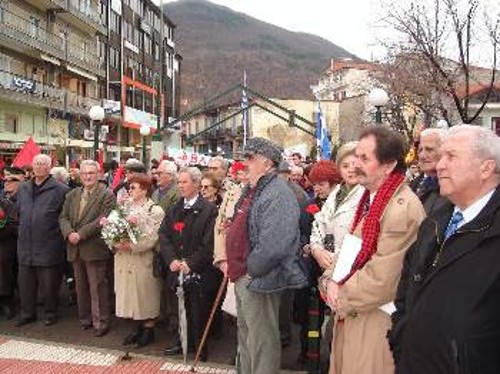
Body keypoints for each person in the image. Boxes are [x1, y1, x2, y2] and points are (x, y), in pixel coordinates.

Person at [390, 125, 500, 373]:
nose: (440, 165)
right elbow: (406, 291)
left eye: (451, 156)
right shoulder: (434, 222)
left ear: (486, 167)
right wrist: (401, 337)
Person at [320, 126, 425, 374]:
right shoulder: (371, 198)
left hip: (374, 321)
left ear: (388, 165)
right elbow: (350, 249)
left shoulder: (402, 208)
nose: (355, 164)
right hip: (356, 314)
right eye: (356, 155)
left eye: (364, 158)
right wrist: (329, 279)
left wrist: (339, 294)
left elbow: (384, 278)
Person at [222, 137, 309, 374]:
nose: (244, 163)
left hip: (257, 279)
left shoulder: (277, 194)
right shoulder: (256, 189)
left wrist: (251, 270)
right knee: (248, 339)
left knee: (261, 343)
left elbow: (275, 245)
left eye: (250, 158)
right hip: (246, 276)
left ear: (268, 164)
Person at [160, 167, 219, 361]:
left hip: (199, 270)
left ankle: (200, 344)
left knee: (198, 309)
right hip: (176, 268)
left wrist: (191, 263)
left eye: (184, 182)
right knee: (179, 307)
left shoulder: (209, 210)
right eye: (179, 182)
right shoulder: (175, 208)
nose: (181, 186)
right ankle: (181, 339)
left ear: (195, 183)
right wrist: (171, 259)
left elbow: (209, 243)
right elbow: (164, 235)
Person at [59, 160, 116, 337]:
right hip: (74, 248)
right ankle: (85, 319)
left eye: (91, 173)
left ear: (98, 174)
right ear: (80, 175)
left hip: (94, 247)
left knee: (97, 287)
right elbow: (63, 217)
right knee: (80, 287)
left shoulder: (107, 194)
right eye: (84, 173)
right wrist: (69, 233)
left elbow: (103, 218)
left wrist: (80, 234)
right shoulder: (72, 194)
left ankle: (101, 322)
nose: (88, 176)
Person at [15, 154, 70, 327]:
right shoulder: (23, 188)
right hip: (25, 244)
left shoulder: (61, 190)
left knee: (49, 285)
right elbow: (19, 211)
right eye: (36, 164)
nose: (38, 167)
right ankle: (27, 313)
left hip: (49, 244)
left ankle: (50, 313)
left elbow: (65, 217)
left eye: (42, 164)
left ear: (49, 167)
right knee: (26, 284)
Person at [113, 174, 165, 348]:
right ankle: (137, 328)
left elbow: (153, 238)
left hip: (142, 260)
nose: (130, 190)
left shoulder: (154, 210)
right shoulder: (123, 207)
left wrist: (131, 245)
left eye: (134, 187)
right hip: (123, 260)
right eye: (129, 187)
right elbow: (110, 227)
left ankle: (148, 330)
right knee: (130, 296)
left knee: (145, 296)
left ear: (144, 189)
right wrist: (114, 241)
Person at [0, 167, 25, 319]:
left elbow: (19, 221)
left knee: (4, 261)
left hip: (11, 241)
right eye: (6, 180)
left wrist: (4, 230)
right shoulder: (2, 196)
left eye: (12, 180)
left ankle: (6, 300)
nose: (8, 183)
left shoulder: (23, 198)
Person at [410, 128, 448, 215]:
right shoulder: (413, 184)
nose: (422, 156)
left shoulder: (452, 189)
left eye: (429, 150)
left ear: (445, 151)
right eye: (420, 150)